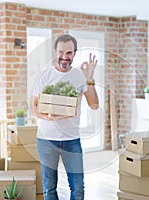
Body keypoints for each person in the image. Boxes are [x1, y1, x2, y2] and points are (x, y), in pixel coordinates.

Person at [32, 34, 99, 200]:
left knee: (77, 188)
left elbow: (94, 105)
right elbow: (34, 106)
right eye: (61, 52)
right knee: (49, 188)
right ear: (55, 51)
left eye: (69, 53)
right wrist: (48, 117)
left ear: (74, 53)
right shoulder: (44, 75)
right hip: (46, 139)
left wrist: (89, 78)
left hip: (72, 140)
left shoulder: (79, 76)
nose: (64, 57)